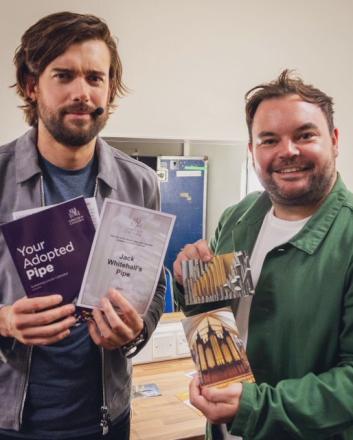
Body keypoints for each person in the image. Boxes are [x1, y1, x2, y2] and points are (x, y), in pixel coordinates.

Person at [0, 11, 165, 440]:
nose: (81, 92)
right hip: (10, 422)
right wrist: (3, 321)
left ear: (110, 89)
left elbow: (153, 288)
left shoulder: (140, 183)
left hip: (106, 420)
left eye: (95, 78)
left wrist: (135, 330)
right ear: (32, 86)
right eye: (64, 75)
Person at [173, 70, 353, 439]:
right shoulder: (237, 218)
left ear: (334, 141)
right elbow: (214, 318)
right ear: (252, 151)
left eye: (305, 135)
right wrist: (187, 284)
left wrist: (255, 406)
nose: (287, 151)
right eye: (269, 139)